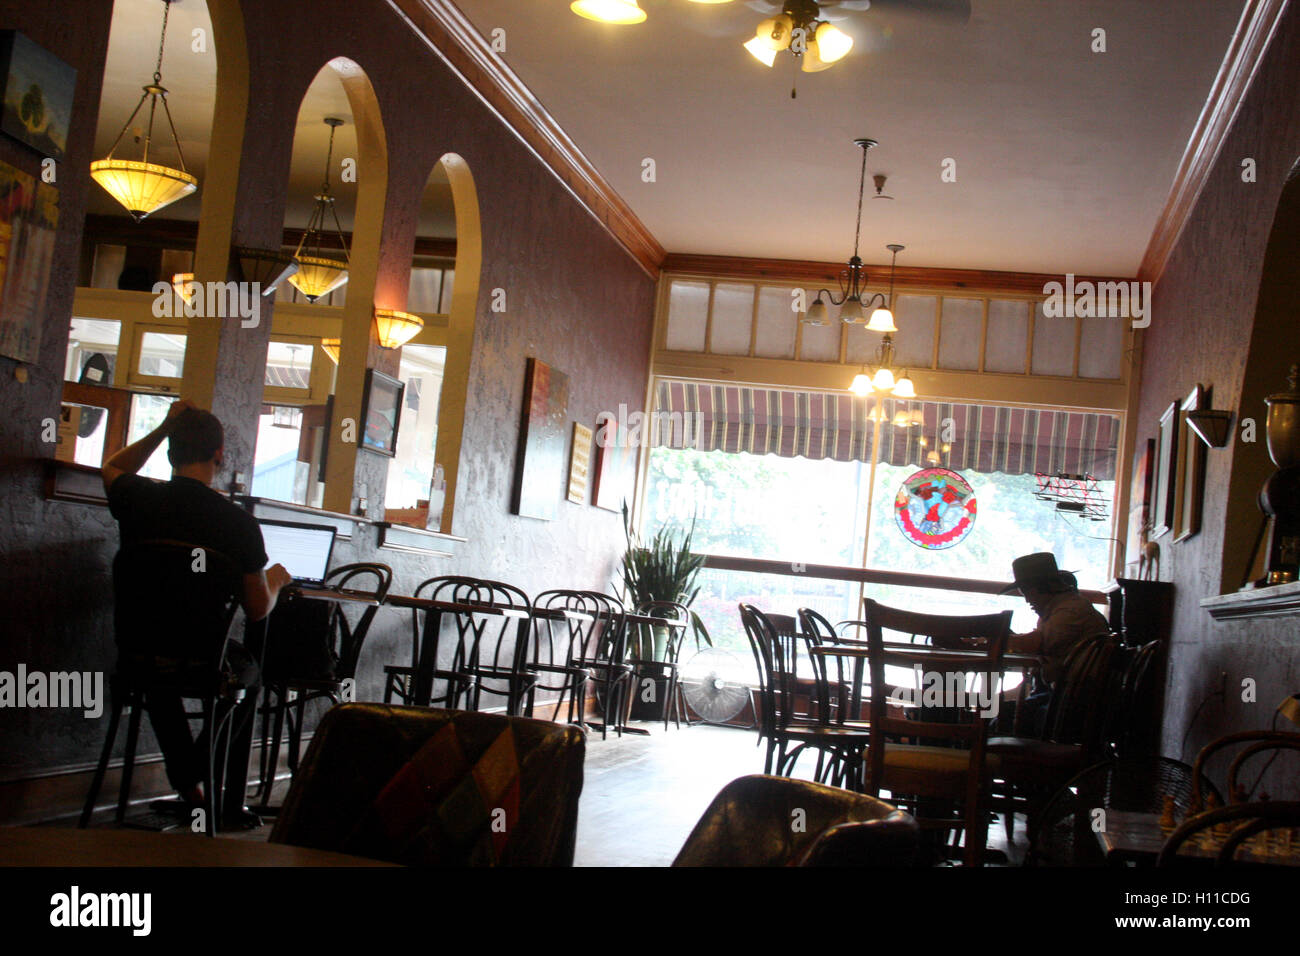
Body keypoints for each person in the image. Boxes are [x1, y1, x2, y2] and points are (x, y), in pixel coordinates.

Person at [102, 399, 291, 828]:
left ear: (170, 452)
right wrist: (277, 579)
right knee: (250, 676)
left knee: (158, 677)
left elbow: (113, 466)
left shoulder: (137, 497)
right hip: (202, 660)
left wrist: (164, 426)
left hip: (136, 654)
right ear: (219, 454)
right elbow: (258, 610)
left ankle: (189, 783)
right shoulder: (237, 523)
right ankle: (193, 773)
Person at [971, 552, 1112, 735]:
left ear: (1044, 587)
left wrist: (989, 640)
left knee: (996, 721)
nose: (1028, 600)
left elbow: (1036, 643)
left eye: (1028, 592)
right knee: (997, 715)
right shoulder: (1063, 608)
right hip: (1068, 698)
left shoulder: (1070, 610)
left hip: (1072, 704)